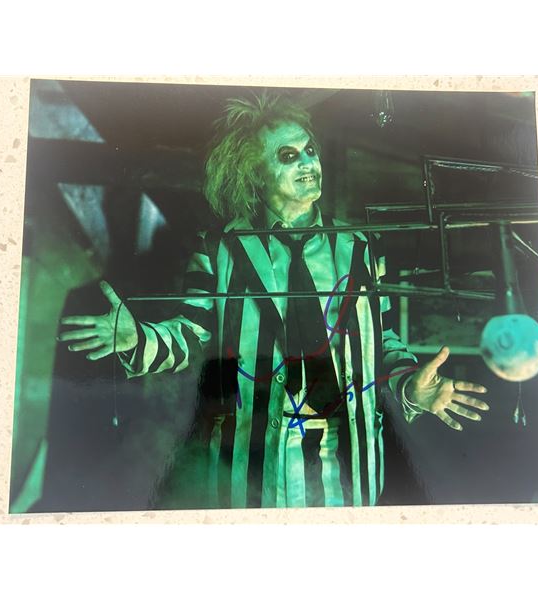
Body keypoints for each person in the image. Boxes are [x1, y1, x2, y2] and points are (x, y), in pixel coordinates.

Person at [59, 93, 489, 509]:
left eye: (310, 150)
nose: (308, 163)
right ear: (254, 174)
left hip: (350, 465)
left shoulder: (359, 246)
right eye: (288, 155)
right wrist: (137, 340)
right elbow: (189, 335)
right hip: (252, 467)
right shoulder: (219, 251)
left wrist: (411, 387)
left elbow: (382, 342)